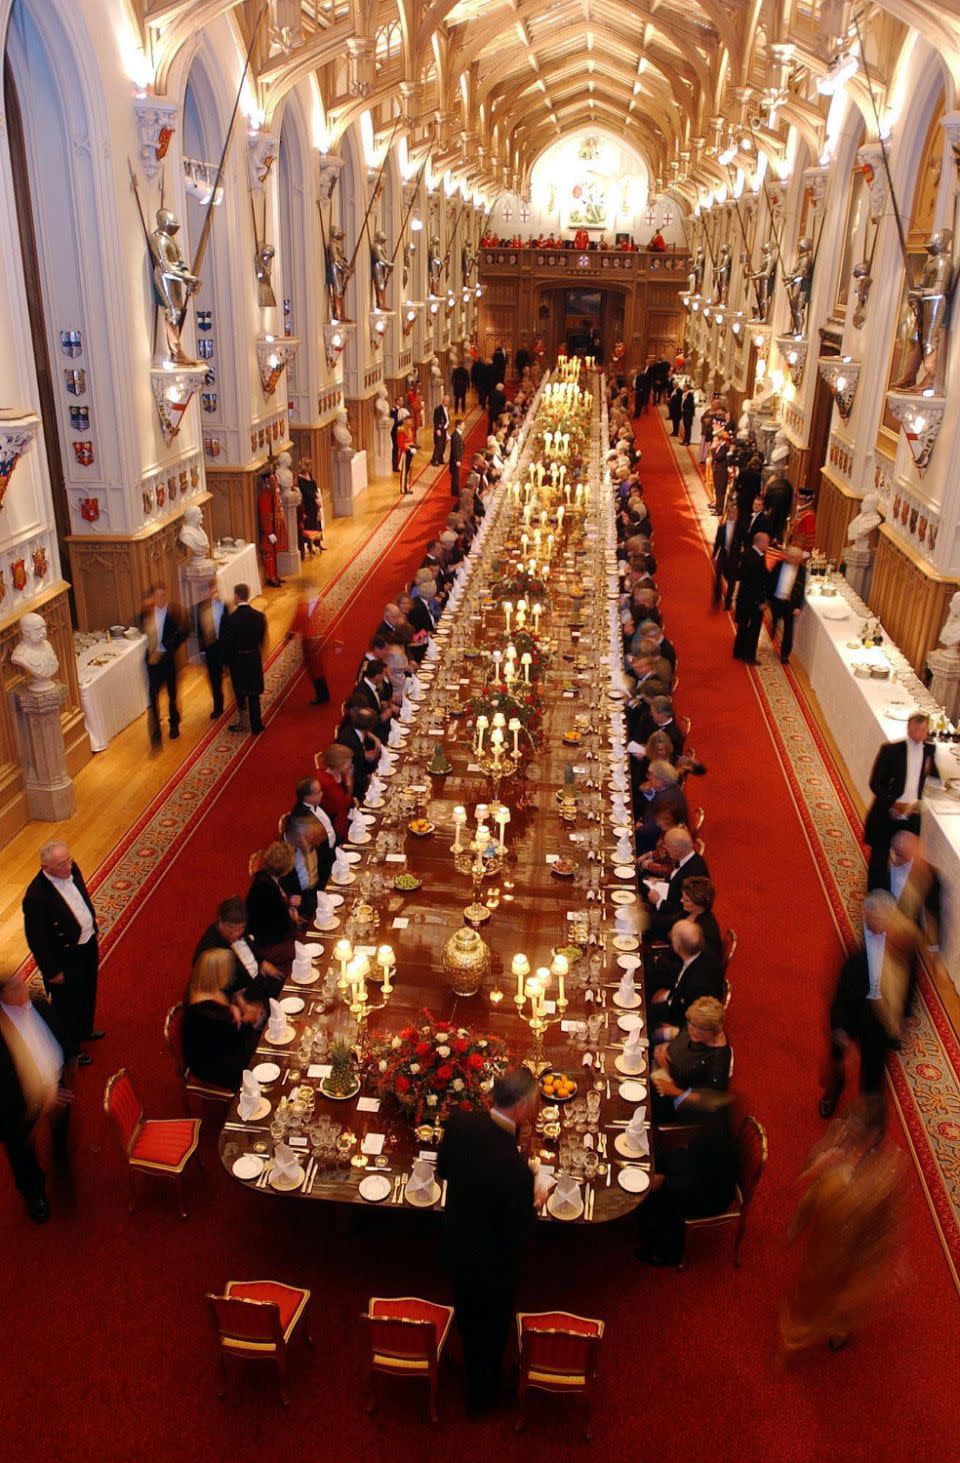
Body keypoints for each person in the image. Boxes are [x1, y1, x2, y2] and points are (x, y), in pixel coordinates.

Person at [437, 1067, 550, 1414]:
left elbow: (443, 1170)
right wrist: (537, 1195)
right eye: (534, 1103)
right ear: (520, 1105)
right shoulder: (514, 1171)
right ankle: (481, 1399)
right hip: (492, 1265)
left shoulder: (459, 1124)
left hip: (456, 1242)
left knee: (469, 1317)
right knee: (490, 1330)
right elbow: (522, 1231)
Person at [780, 1105, 905, 1356]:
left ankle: (839, 1331)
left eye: (857, 1130)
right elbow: (808, 1180)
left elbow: (884, 1226)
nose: (849, 1134)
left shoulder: (885, 1173)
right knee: (816, 1280)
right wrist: (820, 1167)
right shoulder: (839, 1141)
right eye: (850, 1125)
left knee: (842, 1297)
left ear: (874, 1136)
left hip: (855, 1247)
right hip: (827, 1235)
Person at [819, 890, 920, 1121]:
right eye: (869, 920)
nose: (873, 925)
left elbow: (911, 985)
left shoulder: (904, 949)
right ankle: (834, 1091)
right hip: (854, 1019)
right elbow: (841, 1000)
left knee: (873, 1081)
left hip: (880, 1028)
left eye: (880, 920)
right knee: (840, 1066)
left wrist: (903, 1017)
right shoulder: (857, 960)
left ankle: (870, 1123)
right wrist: (844, 1040)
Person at [0, 967, 75, 1222]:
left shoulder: (39, 1003)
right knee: (22, 1152)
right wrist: (41, 1100)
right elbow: (6, 1088)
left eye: (23, 983)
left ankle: (60, 1159)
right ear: (2, 996)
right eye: (16, 987)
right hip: (19, 1106)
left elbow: (57, 1031)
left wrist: (69, 1058)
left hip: (57, 1085)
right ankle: (34, 1195)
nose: (25, 989)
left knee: (61, 1128)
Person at [635, 1094, 738, 1265]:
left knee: (659, 1196)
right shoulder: (715, 1116)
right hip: (698, 1169)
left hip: (710, 1193)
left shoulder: (716, 1139)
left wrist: (665, 1181)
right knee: (656, 1160)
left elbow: (701, 1185)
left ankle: (666, 1252)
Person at [22, 842, 101, 1060]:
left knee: (87, 990)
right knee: (67, 1005)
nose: (68, 867)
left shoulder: (72, 869)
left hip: (87, 944)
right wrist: (51, 972)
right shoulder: (36, 897)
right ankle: (72, 1050)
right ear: (45, 867)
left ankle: (85, 1030)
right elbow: (36, 940)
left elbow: (81, 898)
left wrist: (92, 927)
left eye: (68, 860)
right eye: (61, 864)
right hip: (65, 957)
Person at [863, 713, 937, 890]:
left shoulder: (929, 751)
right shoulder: (891, 750)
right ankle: (875, 895)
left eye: (922, 730)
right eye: (915, 728)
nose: (918, 733)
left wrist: (931, 769)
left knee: (906, 861)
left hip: (911, 815)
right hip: (887, 812)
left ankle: (896, 895)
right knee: (879, 856)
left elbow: (935, 776)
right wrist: (892, 804)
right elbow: (875, 783)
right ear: (908, 729)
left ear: (927, 732)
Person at [182, 949, 260, 1091]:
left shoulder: (201, 984)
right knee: (259, 1054)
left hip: (217, 1044)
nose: (230, 975)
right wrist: (248, 1019)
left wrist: (236, 1006)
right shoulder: (207, 1012)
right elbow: (235, 1035)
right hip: (214, 1061)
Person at [650, 996, 731, 1124]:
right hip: (662, 1070)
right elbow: (683, 1033)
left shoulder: (718, 1061)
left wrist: (673, 1089)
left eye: (698, 1027)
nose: (692, 1029)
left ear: (713, 1030)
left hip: (677, 1100)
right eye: (691, 1023)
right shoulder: (698, 1031)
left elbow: (709, 1100)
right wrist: (667, 1042)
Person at [193, 896, 283, 1002]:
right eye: (231, 928)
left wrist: (262, 962)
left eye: (240, 928)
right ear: (220, 921)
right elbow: (213, 990)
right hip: (242, 996)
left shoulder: (240, 924)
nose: (236, 933)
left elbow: (252, 950)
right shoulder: (208, 950)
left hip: (260, 979)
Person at [648, 920, 724, 1033]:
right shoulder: (699, 951)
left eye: (673, 936)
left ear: (677, 946)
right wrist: (667, 995)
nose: (670, 936)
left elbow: (693, 1017)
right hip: (677, 998)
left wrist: (674, 1031)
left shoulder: (697, 984)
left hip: (681, 1020)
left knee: (645, 1016)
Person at [139, 582, 188, 744]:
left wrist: (172, 647)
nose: (161, 599)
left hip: (168, 660)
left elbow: (185, 631)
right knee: (153, 697)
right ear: (153, 596)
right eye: (158, 595)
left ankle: (174, 724)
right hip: (153, 662)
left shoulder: (173, 613)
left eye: (163, 595)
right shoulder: (146, 614)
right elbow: (139, 625)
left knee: (172, 694)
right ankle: (156, 733)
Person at [245, 841, 299, 973]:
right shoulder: (266, 890)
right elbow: (278, 924)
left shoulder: (266, 879)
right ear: (285, 869)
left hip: (274, 934)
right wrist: (292, 917)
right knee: (302, 948)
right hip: (268, 942)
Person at [221, 583, 267, 735]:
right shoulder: (259, 617)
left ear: (236, 596)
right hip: (253, 657)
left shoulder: (230, 620)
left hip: (237, 660)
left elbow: (227, 644)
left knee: (240, 693)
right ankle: (256, 725)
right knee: (254, 694)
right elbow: (262, 640)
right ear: (247, 595)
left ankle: (242, 722)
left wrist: (226, 665)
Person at [287, 579, 329, 706]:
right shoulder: (317, 601)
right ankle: (324, 694)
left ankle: (322, 696)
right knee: (318, 669)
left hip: (310, 642)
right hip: (319, 639)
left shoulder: (303, 606)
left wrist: (288, 636)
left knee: (314, 670)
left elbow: (296, 623)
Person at [732, 531, 769, 664]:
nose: (767, 545)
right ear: (759, 542)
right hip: (753, 602)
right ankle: (748, 656)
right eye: (766, 542)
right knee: (753, 629)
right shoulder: (756, 560)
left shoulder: (748, 554)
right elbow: (756, 583)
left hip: (744, 598)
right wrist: (761, 601)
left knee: (742, 627)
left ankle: (738, 651)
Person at [767, 545, 807, 664]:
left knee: (789, 630)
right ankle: (773, 628)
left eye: (798, 558)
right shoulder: (778, 565)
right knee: (774, 618)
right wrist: (767, 598)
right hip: (776, 600)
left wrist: (798, 607)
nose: (796, 561)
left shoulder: (802, 569)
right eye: (793, 558)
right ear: (787, 556)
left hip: (790, 604)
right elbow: (770, 580)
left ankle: (785, 655)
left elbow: (801, 589)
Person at [194, 577, 227, 720]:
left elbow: (229, 626)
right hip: (210, 648)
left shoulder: (222, 605)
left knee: (232, 676)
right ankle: (218, 707)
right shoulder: (198, 608)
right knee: (214, 679)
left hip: (224, 645)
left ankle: (240, 702)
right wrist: (201, 651)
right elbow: (199, 633)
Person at [257, 468, 288, 588]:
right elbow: (265, 515)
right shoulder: (264, 496)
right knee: (269, 553)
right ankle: (271, 577)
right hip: (270, 529)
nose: (275, 482)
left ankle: (275, 575)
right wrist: (269, 532)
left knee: (275, 553)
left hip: (277, 527)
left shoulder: (274, 493)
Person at [712, 499, 742, 610]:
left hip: (734, 557)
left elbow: (743, 543)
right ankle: (717, 598)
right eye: (730, 512)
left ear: (737, 514)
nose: (731, 514)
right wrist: (714, 554)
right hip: (723, 555)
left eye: (734, 512)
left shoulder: (740, 528)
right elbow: (718, 541)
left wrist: (741, 558)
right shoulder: (722, 527)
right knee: (718, 575)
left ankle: (728, 601)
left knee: (732, 580)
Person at [297, 457, 325, 552]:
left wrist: (317, 496)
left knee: (317, 523)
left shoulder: (309, 475)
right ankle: (310, 546)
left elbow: (313, 486)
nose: (310, 468)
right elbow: (305, 492)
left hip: (313, 504)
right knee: (310, 525)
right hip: (307, 505)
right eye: (308, 465)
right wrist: (314, 496)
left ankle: (318, 543)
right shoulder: (300, 479)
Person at [396, 414, 415, 494]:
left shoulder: (409, 429)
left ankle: (407, 487)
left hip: (410, 452)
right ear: (404, 420)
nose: (411, 421)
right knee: (404, 471)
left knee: (409, 470)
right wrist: (410, 448)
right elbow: (400, 444)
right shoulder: (401, 429)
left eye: (411, 420)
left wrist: (414, 447)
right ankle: (403, 489)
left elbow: (411, 441)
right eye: (409, 420)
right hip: (404, 452)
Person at [431, 393, 450, 465]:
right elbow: (435, 420)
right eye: (446, 401)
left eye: (448, 401)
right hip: (440, 430)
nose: (447, 403)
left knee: (443, 445)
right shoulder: (438, 409)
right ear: (443, 401)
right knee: (438, 445)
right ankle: (434, 460)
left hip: (445, 430)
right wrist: (438, 429)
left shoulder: (446, 409)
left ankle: (440, 458)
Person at [448, 418, 464, 499]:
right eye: (463, 425)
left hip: (456, 459)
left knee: (456, 475)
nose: (464, 426)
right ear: (458, 425)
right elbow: (455, 449)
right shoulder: (455, 435)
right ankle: (455, 492)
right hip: (455, 460)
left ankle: (455, 490)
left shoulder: (457, 434)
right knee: (455, 476)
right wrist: (457, 460)